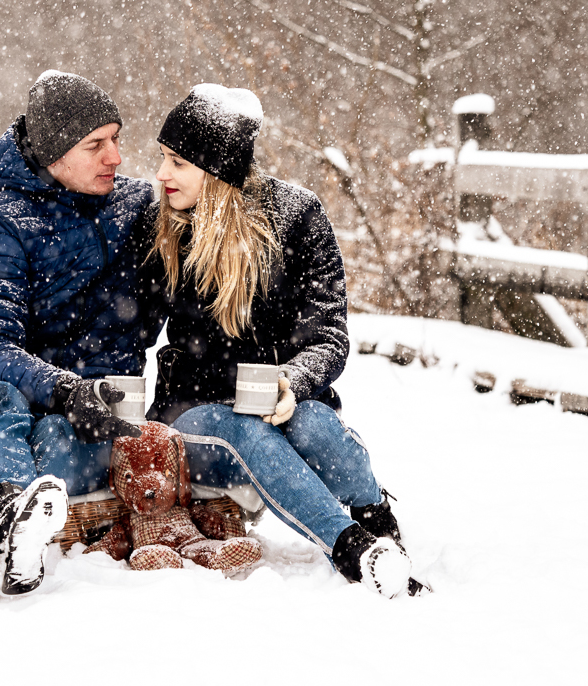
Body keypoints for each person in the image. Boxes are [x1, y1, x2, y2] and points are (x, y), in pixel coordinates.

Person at [136, 83, 426, 598]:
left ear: (217, 167)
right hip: (192, 416)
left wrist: (294, 381)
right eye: (163, 158)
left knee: (313, 420)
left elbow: (329, 335)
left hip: (280, 406)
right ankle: (352, 549)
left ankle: (375, 516)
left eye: (177, 162)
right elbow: (124, 329)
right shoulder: (164, 228)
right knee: (242, 431)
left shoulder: (297, 217)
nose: (162, 174)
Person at [0, 70, 153, 602]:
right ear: (54, 154)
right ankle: (5, 522)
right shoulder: (0, 225)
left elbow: (215, 214)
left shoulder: (138, 211)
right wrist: (65, 388)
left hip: (87, 424)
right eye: (96, 145)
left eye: (117, 139)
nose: (115, 156)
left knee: (54, 441)